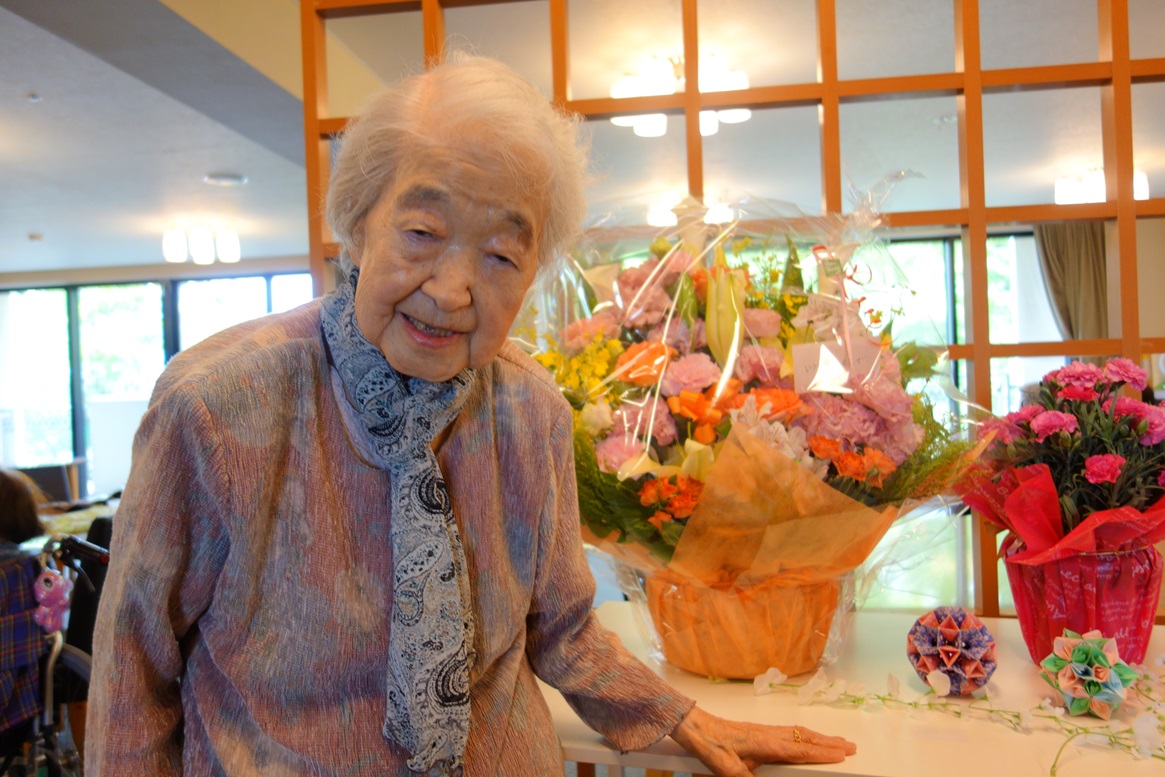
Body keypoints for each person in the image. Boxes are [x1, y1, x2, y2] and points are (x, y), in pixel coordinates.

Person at [86, 55, 856, 776]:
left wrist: (678, 714)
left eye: (500, 256)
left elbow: (562, 628)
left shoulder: (530, 411)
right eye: (421, 234)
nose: (452, 290)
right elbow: (132, 665)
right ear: (358, 222)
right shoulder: (216, 403)